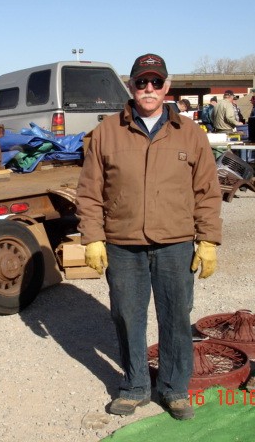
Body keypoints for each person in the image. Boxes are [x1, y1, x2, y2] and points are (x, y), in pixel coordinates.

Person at [75, 53, 223, 421]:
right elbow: (90, 191)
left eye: (156, 82)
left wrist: (208, 241)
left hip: (175, 244)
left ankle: (174, 389)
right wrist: (92, 237)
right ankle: (136, 385)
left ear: (167, 87)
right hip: (123, 244)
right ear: (131, 86)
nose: (149, 89)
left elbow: (207, 191)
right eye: (142, 82)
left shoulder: (190, 133)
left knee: (175, 316)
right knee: (127, 316)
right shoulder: (107, 132)